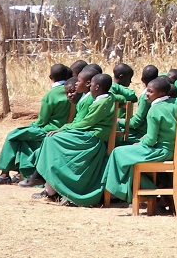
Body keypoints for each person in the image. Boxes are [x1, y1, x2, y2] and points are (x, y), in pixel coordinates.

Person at [36, 72, 131, 206]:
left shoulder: (102, 102)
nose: (89, 87)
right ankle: (52, 187)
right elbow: (120, 97)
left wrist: (63, 128)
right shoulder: (105, 97)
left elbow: (87, 122)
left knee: (52, 140)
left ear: (97, 87)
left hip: (92, 137)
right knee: (51, 139)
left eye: (91, 85)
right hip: (87, 133)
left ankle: (57, 189)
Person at [0, 63, 73, 186]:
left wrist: (32, 125)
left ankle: (4, 175)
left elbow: (42, 120)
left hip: (48, 129)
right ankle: (21, 174)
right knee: (23, 140)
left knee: (13, 135)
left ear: (50, 77)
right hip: (64, 129)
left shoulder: (51, 95)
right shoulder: (72, 91)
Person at [102, 76, 177, 205]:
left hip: (160, 151)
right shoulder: (176, 104)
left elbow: (151, 140)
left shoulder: (154, 109)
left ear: (162, 93)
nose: (147, 94)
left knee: (117, 152)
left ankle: (117, 191)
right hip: (173, 150)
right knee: (128, 157)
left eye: (150, 91)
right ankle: (148, 189)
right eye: (147, 90)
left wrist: (141, 142)